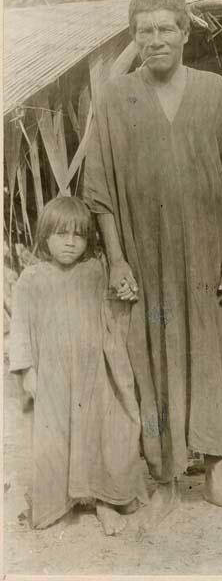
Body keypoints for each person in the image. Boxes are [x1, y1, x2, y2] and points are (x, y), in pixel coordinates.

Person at [83, 0, 222, 522]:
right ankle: (163, 478)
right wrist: (116, 259)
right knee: (152, 352)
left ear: (185, 33)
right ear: (134, 38)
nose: (156, 39)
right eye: (145, 30)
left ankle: (216, 475)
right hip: (146, 253)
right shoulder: (114, 97)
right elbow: (100, 190)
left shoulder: (213, 92)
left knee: (215, 357)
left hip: (208, 251)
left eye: (166, 28)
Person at [9, 197, 145, 534]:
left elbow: (115, 310)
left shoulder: (95, 271)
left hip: (93, 375)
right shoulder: (31, 278)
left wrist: (125, 296)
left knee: (98, 434)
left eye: (78, 235)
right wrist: (26, 371)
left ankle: (103, 501)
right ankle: (59, 502)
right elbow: (21, 327)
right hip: (52, 378)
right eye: (61, 234)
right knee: (55, 439)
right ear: (44, 235)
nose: (70, 242)